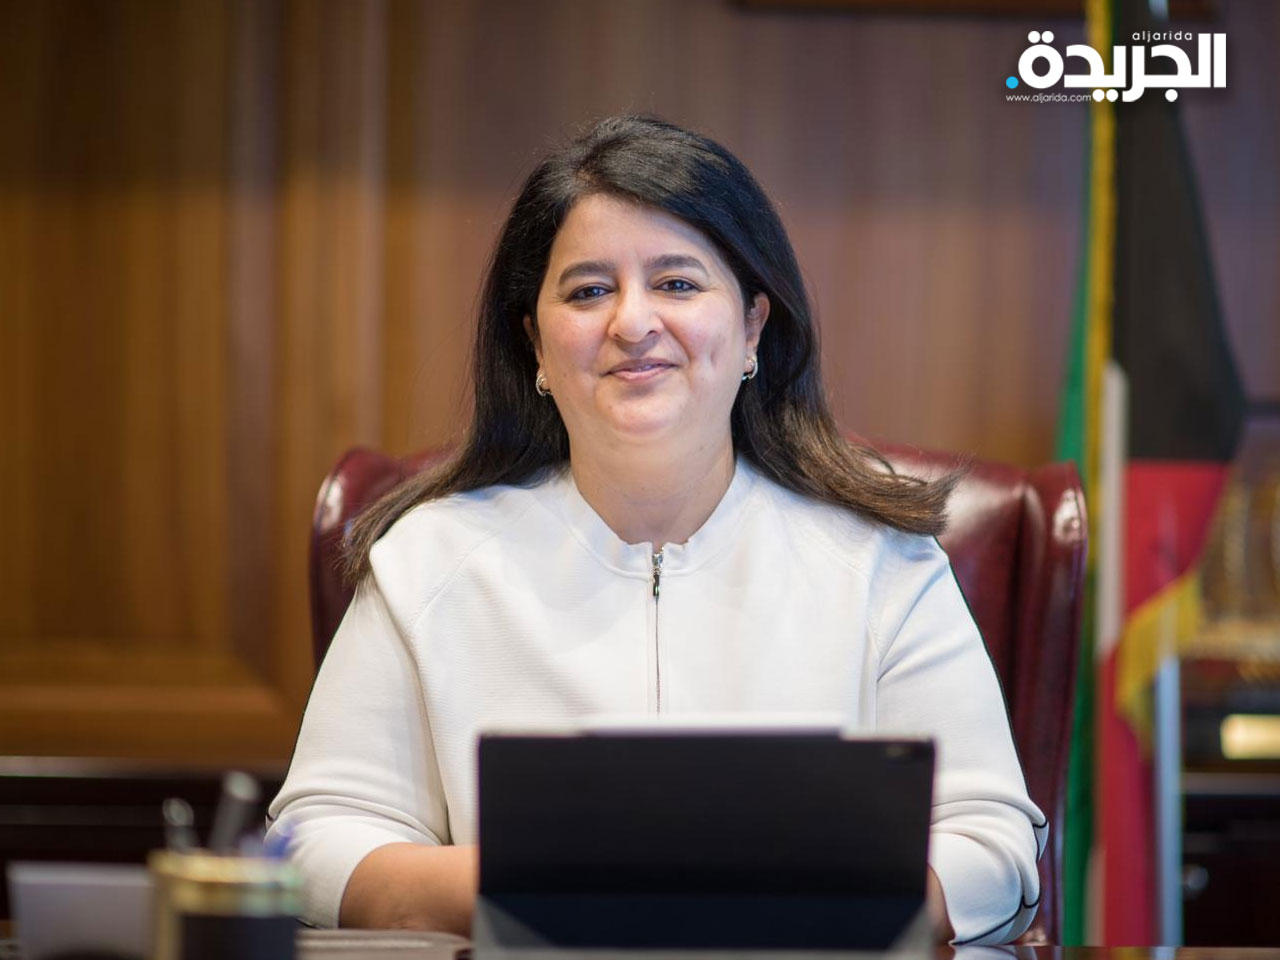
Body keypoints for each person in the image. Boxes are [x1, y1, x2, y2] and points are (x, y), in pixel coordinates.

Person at [266, 115, 1046, 945]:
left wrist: (806, 897)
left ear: (752, 325)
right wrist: (536, 889)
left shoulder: (881, 561)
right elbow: (315, 838)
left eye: (676, 283)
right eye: (588, 291)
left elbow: (990, 841)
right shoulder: (429, 561)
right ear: (535, 343)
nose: (633, 323)